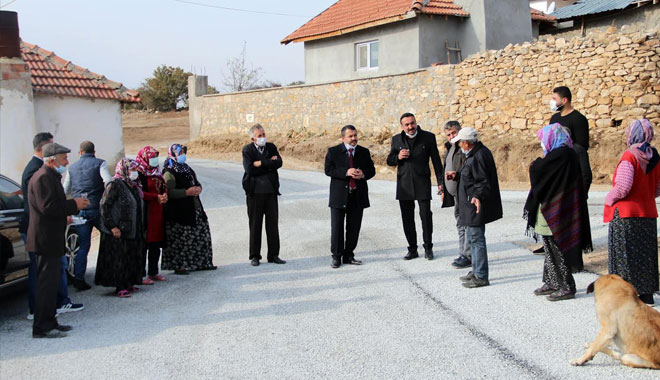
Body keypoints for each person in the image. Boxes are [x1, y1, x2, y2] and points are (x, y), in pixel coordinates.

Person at [26, 143, 89, 338]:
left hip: (50, 238)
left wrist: (67, 214)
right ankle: (41, 327)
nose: (66, 162)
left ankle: (51, 320)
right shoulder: (43, 177)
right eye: (63, 159)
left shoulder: (50, 176)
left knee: (52, 284)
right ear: (52, 160)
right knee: (45, 285)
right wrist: (74, 204)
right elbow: (49, 208)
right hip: (44, 240)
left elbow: (51, 209)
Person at [524, 124, 592, 301]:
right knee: (549, 247)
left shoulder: (561, 154)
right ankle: (552, 281)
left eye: (543, 139)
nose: (542, 143)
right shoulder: (564, 153)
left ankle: (567, 286)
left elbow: (539, 170)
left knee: (558, 248)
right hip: (555, 207)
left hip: (558, 209)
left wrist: (534, 164)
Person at [604, 119, 660, 305]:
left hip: (627, 214)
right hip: (648, 213)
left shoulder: (630, 156)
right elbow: (658, 189)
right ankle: (646, 294)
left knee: (624, 256)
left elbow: (623, 187)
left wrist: (610, 198)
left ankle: (625, 295)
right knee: (645, 256)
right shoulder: (655, 158)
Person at [386, 113, 443, 260]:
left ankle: (428, 247)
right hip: (404, 184)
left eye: (412, 123)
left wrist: (441, 182)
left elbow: (436, 161)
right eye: (407, 125)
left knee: (426, 216)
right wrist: (398, 157)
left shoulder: (428, 137)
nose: (410, 127)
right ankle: (412, 249)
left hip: (422, 182)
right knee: (407, 218)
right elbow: (389, 160)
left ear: (416, 123)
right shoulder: (396, 139)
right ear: (402, 126)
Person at [452, 128, 502, 288]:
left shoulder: (479, 155)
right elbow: (472, 176)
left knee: (476, 239)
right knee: (472, 239)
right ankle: (476, 271)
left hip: (474, 205)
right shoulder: (474, 154)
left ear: (466, 143)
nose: (459, 145)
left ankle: (481, 275)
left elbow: (482, 181)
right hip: (469, 205)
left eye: (460, 142)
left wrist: (477, 197)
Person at [324, 125, 376, 268]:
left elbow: (372, 170)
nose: (354, 138)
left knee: (354, 228)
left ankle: (349, 255)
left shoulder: (364, 152)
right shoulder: (333, 151)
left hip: (357, 196)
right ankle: (336, 256)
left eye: (355, 135)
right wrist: (346, 172)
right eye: (350, 136)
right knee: (337, 228)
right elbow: (328, 170)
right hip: (339, 195)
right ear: (343, 138)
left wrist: (363, 174)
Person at [63, 140, 112, 290]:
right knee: (108, 238)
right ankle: (109, 273)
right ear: (94, 152)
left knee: (83, 246)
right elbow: (108, 181)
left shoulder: (72, 168)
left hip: (80, 210)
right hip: (96, 208)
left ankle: (78, 278)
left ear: (80, 152)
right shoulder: (100, 163)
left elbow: (65, 189)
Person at [161, 144, 216, 274]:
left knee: (200, 235)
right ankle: (180, 266)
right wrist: (186, 192)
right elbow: (168, 192)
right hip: (179, 211)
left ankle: (202, 263)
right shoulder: (169, 172)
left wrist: (198, 188)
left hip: (195, 208)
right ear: (173, 154)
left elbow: (196, 182)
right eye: (180, 153)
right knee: (181, 239)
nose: (183, 156)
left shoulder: (186, 169)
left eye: (183, 153)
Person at [95, 158, 145, 297]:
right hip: (118, 229)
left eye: (136, 170)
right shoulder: (115, 184)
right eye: (132, 170)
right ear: (124, 170)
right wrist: (112, 226)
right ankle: (120, 286)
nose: (135, 173)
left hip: (131, 229)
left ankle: (129, 282)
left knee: (130, 256)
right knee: (119, 258)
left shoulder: (132, 185)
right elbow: (104, 206)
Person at [242, 124, 286, 266]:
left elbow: (279, 162)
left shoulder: (271, 147)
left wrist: (260, 163)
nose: (262, 138)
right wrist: (269, 164)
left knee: (272, 224)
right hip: (255, 193)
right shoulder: (247, 150)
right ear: (253, 138)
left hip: (271, 192)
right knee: (255, 224)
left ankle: (273, 255)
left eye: (263, 134)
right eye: (259, 136)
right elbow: (249, 169)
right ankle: (255, 255)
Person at [440, 121, 471, 269]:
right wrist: (443, 188)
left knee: (466, 224)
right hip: (455, 194)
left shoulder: (464, 148)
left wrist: (456, 175)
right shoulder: (450, 147)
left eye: (454, 133)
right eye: (449, 135)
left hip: (464, 193)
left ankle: (467, 255)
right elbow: (445, 167)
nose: (452, 136)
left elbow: (467, 170)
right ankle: (462, 253)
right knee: (460, 224)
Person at [549, 86, 592, 193]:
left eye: (554, 99)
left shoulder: (578, 119)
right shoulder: (554, 119)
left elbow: (581, 148)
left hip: (571, 173)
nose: (552, 102)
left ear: (564, 100)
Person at [136, 146, 168, 284]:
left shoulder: (156, 172)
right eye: (152, 156)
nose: (154, 159)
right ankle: (141, 274)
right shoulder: (139, 173)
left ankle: (154, 271)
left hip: (158, 212)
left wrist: (164, 194)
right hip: (146, 212)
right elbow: (139, 192)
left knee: (155, 242)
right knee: (144, 244)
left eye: (156, 156)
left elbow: (163, 186)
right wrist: (156, 197)